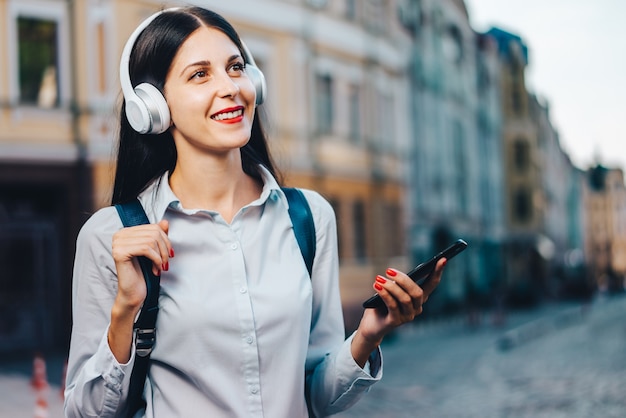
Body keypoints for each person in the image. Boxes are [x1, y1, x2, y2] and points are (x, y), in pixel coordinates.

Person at [64, 6, 447, 418]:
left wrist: (369, 335)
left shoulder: (308, 218)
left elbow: (316, 398)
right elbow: (85, 413)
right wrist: (125, 312)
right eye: (200, 74)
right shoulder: (112, 237)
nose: (230, 87)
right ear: (152, 105)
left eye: (235, 67)